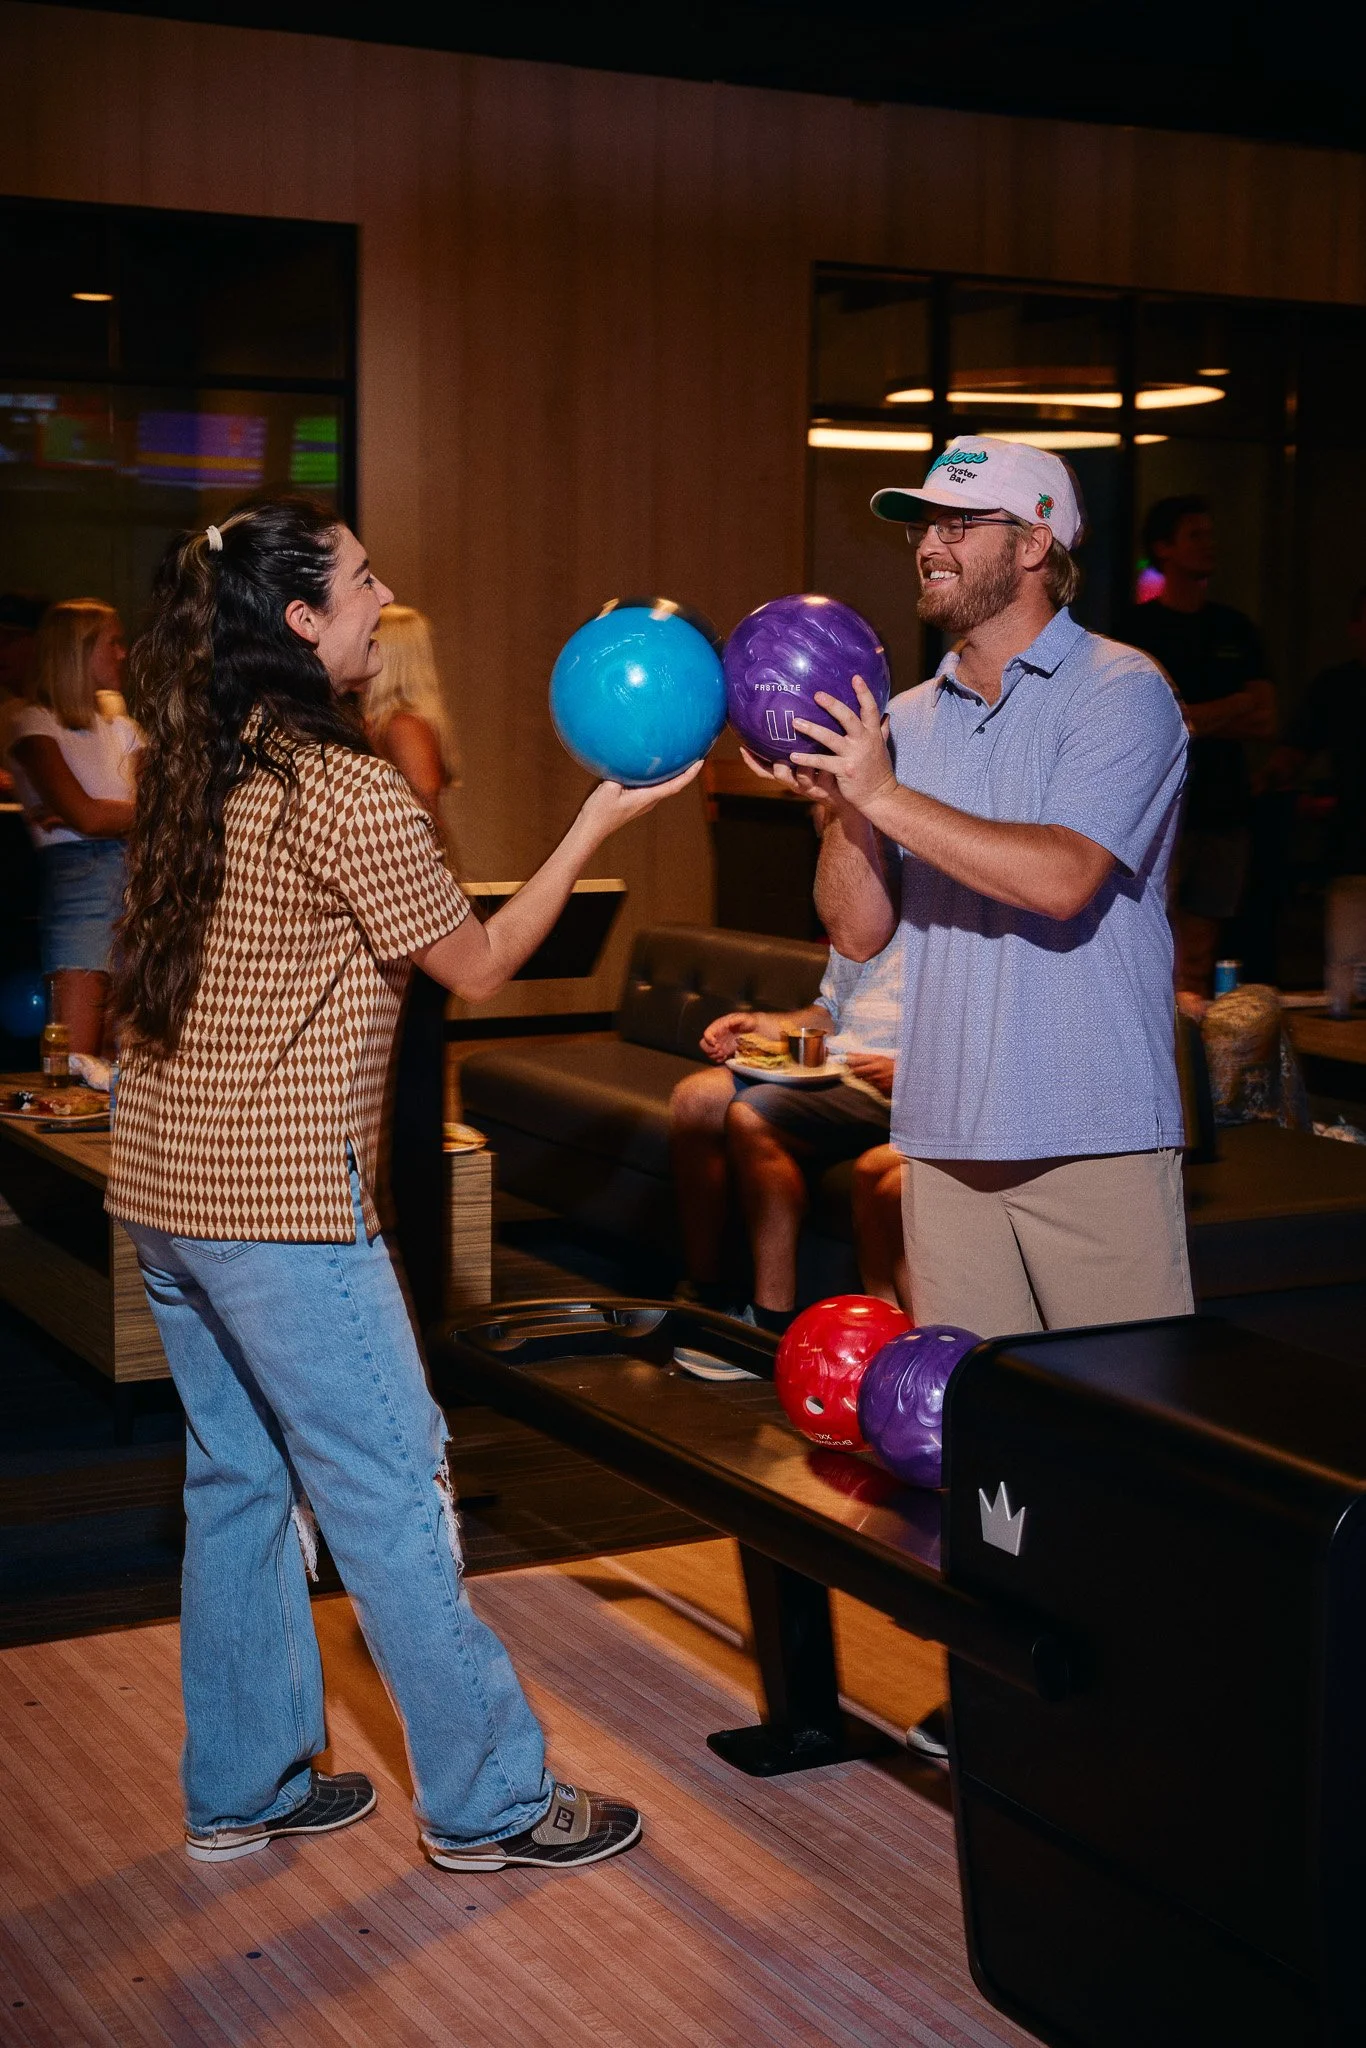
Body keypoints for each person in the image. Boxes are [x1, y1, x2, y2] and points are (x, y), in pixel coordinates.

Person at [106, 497, 698, 1871]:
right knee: (389, 1485)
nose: (384, 598)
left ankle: (243, 1784)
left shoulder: (201, 756)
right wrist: (592, 824)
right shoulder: (350, 784)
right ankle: (491, 1802)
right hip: (276, 1207)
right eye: (363, 581)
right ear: (299, 619)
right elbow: (476, 965)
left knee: (239, 1482)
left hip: (165, 1185)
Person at [744, 434, 1191, 1340]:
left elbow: (1063, 878)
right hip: (940, 1139)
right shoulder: (903, 719)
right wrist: (845, 807)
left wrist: (882, 794)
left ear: (1034, 543)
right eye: (922, 526)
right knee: (982, 1422)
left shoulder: (1121, 690)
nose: (929, 545)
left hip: (1089, 1133)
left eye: (959, 523)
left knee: (1122, 1412)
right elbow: (856, 933)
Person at [669, 931, 909, 1328]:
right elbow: (828, 1013)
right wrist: (759, 1024)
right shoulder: (862, 924)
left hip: (896, 1092)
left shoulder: (952, 933)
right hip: (836, 1069)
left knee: (753, 1113)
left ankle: (772, 1314)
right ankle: (706, 1290)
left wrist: (910, 1071)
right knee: (694, 1100)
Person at [1119, 496, 1276, 994]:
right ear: (1163, 548)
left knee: (1203, 951)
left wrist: (1191, 718)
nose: (1210, 545)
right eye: (1195, 535)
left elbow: (1266, 719)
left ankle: (1192, 1042)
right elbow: (1149, 723)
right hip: (1156, 807)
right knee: (1153, 943)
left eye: (1211, 534)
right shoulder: (1136, 632)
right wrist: (1236, 705)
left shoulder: (1235, 628)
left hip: (1224, 804)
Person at [361, 605, 464, 1328]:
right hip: (420, 926)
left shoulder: (387, 727)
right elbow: (425, 825)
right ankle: (425, 1291)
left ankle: (422, 1288)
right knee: (413, 1107)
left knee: (408, 1103)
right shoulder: (404, 725)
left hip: (406, 929)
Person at [7, 599, 137, 1054]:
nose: (123, 653)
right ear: (77, 651)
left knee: (127, 1058)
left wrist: (94, 815)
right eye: (113, 643)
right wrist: (98, 816)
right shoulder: (34, 724)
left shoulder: (124, 727)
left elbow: (162, 810)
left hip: (137, 885)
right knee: (75, 1055)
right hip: (80, 889)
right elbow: (88, 817)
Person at [1264, 585, 1366, 877]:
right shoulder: (1337, 687)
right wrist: (1269, 781)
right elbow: (1295, 750)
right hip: (1352, 842)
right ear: (1354, 628)